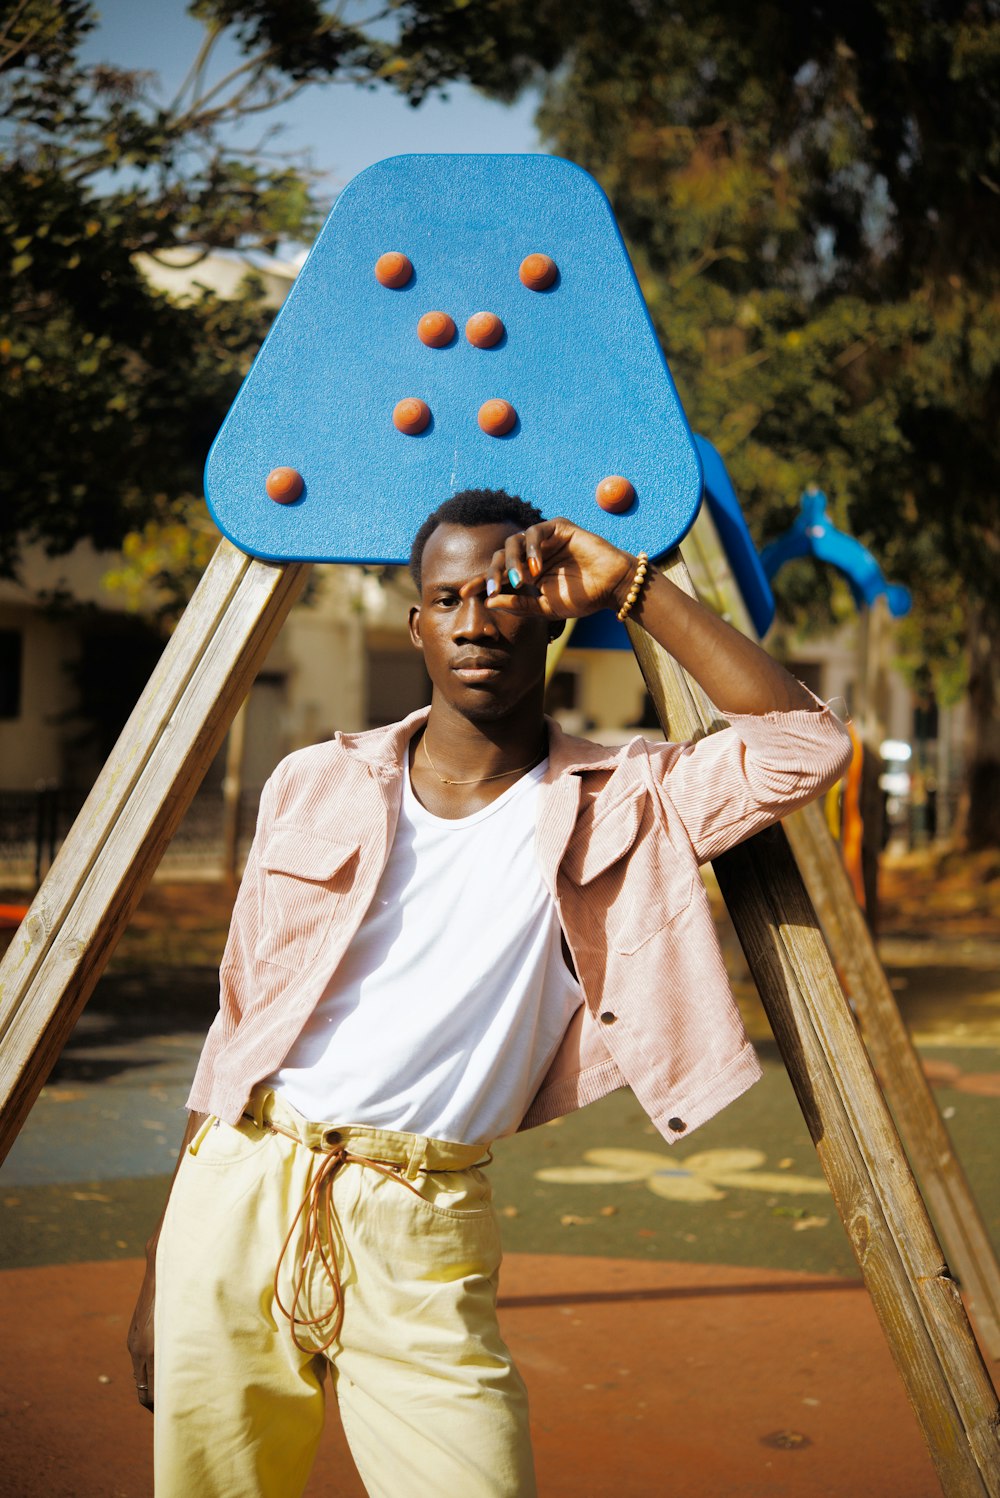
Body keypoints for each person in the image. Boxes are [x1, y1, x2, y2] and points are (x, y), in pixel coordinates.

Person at [128, 488, 852, 1498]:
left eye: (503, 594)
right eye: (447, 597)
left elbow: (804, 748)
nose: (474, 619)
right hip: (238, 1186)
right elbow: (240, 1028)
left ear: (550, 612)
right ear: (416, 621)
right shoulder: (312, 783)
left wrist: (633, 586)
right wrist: (165, 1263)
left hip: (419, 1211)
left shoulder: (628, 799)